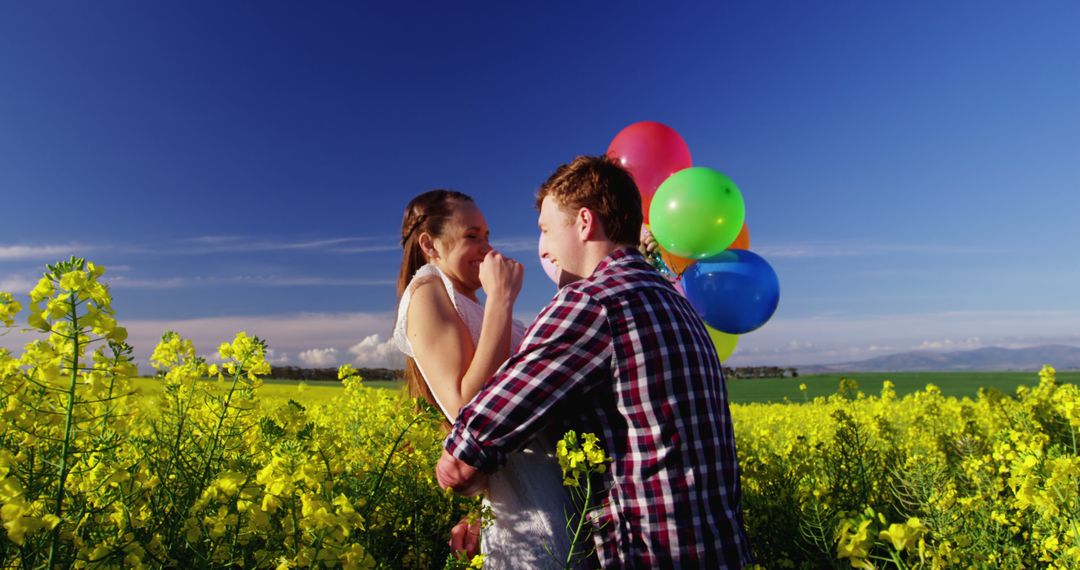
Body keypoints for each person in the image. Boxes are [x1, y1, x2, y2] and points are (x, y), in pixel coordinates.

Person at [436, 156, 753, 567]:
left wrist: (455, 470)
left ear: (584, 222)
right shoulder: (676, 300)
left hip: (652, 556)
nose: (544, 249)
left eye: (546, 231)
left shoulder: (594, 301)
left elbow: (470, 448)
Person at [392, 189, 571, 568]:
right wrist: (501, 299)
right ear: (430, 244)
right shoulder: (427, 291)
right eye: (472, 236)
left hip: (547, 491)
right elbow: (468, 411)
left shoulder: (472, 304)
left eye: (488, 236)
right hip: (528, 510)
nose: (487, 249)